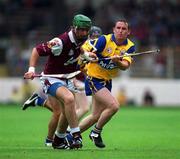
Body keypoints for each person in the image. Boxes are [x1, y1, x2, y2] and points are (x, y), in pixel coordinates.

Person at [22, 25, 103, 147]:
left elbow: (79, 49)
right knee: (69, 100)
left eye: (86, 30)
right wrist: (31, 69)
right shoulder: (60, 42)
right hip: (51, 79)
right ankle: (76, 135)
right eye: (81, 29)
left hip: (66, 79)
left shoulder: (80, 40)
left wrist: (87, 56)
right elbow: (36, 50)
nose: (84, 32)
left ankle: (58, 140)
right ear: (74, 28)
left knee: (64, 112)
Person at [78, 19, 135, 148]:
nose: (120, 31)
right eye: (118, 28)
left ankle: (70, 135)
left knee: (95, 116)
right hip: (93, 78)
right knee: (114, 106)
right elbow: (88, 51)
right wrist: (91, 55)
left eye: (123, 29)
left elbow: (125, 66)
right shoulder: (104, 40)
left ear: (128, 32)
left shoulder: (130, 46)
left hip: (107, 81)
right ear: (114, 30)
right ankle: (96, 132)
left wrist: (117, 62)